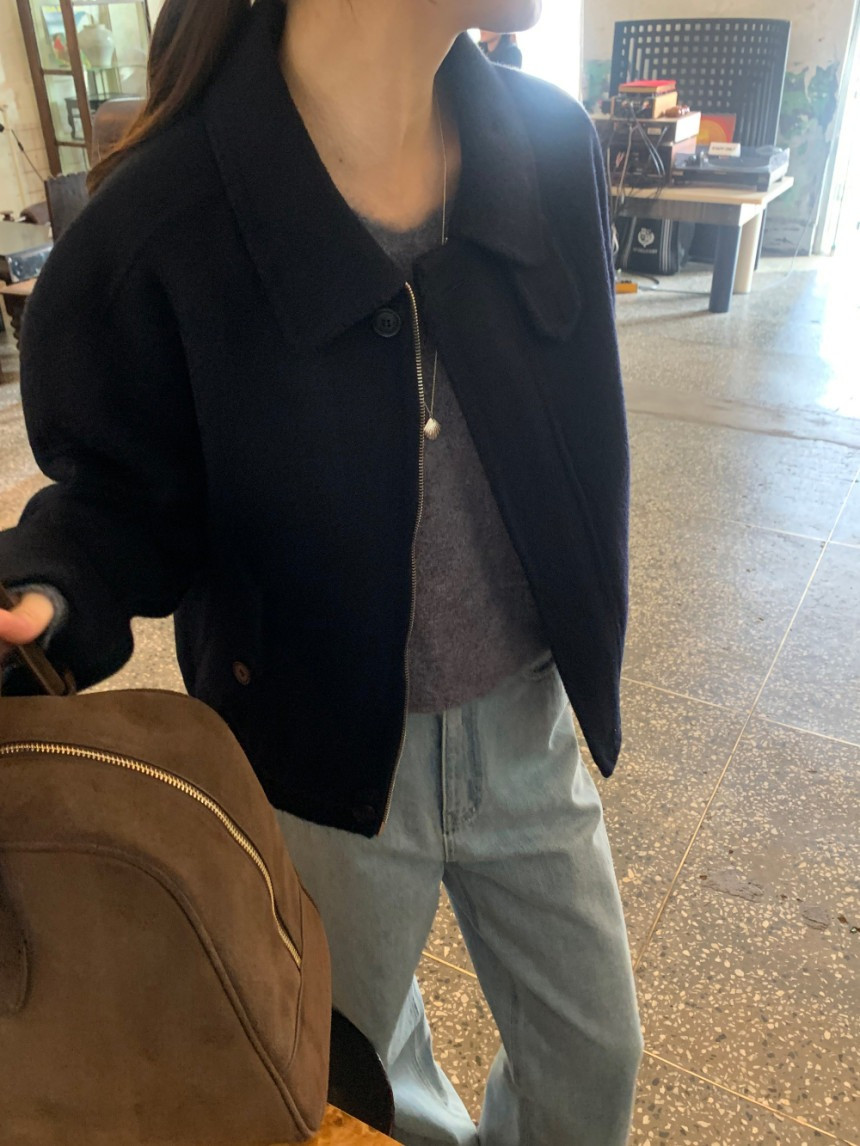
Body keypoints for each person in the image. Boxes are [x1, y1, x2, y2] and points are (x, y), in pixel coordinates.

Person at [0, 0, 642, 1142]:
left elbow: (581, 429)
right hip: (315, 759)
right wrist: (49, 586)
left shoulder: (550, 148)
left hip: (526, 728)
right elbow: (121, 493)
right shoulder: (165, 215)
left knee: (594, 1057)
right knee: (344, 1073)